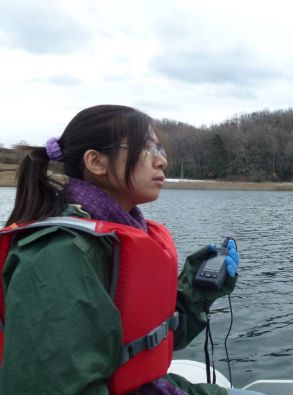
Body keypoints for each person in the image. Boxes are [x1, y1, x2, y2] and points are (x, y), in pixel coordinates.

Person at [0, 105, 264, 395]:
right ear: (96, 162)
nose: (162, 160)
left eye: (160, 148)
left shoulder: (112, 236)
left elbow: (145, 341)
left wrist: (198, 291)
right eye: (147, 148)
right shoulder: (57, 254)